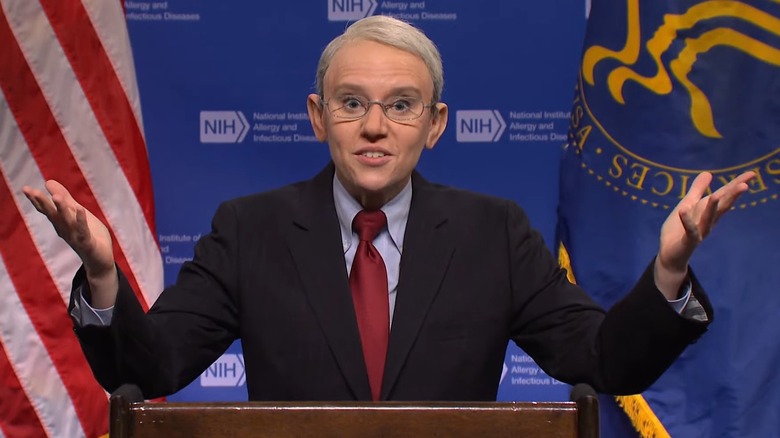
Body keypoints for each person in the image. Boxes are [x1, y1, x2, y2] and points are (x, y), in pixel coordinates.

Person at [24, 15, 753, 401]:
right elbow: (151, 370)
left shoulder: (494, 233)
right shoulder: (249, 231)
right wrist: (103, 277)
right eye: (352, 104)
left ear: (435, 124)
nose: (375, 127)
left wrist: (667, 272)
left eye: (401, 106)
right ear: (318, 116)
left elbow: (602, 362)